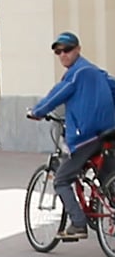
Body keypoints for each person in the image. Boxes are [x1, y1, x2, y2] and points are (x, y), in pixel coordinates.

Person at [28, 31, 115, 240]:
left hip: (86, 136)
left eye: (67, 50)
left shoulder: (76, 74)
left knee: (61, 179)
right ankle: (108, 198)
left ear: (78, 50)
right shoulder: (96, 71)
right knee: (106, 177)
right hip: (108, 132)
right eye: (59, 52)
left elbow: (56, 96)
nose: (63, 55)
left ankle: (78, 224)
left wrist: (37, 112)